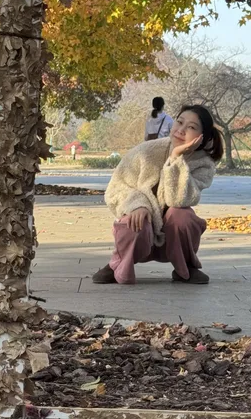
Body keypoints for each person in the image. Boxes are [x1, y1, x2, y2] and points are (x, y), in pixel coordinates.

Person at [92, 104, 223, 286]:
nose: (182, 130)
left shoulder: (203, 164)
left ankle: (185, 267)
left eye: (192, 127)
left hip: (173, 238)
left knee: (182, 215)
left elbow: (178, 200)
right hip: (141, 231)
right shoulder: (144, 152)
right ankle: (119, 264)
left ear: (203, 137)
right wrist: (137, 205)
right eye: (180, 122)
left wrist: (176, 158)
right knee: (132, 218)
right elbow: (115, 188)